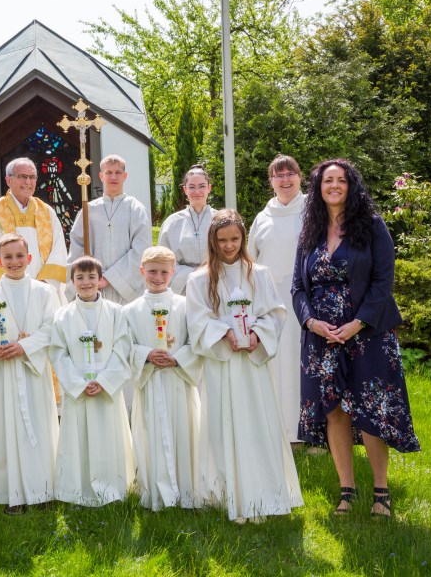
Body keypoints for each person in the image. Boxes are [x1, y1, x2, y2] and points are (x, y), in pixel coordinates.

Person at [292, 158, 419, 518]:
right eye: (327, 180)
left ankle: (382, 493)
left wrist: (357, 323)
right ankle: (346, 490)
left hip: (368, 334)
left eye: (341, 180)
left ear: (351, 186)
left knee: (372, 410)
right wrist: (311, 323)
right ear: (318, 188)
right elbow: (298, 288)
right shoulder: (310, 230)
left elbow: (383, 282)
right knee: (334, 411)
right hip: (322, 339)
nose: (334, 186)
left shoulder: (372, 227)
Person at [185, 209, 303, 523]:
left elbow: (274, 314)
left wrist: (255, 336)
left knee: (256, 423)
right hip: (222, 363)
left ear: (243, 238)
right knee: (223, 423)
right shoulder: (199, 279)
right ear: (212, 241)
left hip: (251, 364)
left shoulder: (258, 273)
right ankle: (226, 492)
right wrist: (224, 333)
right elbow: (197, 320)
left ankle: (264, 490)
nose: (228, 246)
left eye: (234, 239)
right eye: (222, 240)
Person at [0, 234, 61, 515]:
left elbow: (51, 329)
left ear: (29, 258)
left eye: (20, 256)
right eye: (7, 258)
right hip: (5, 374)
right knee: (7, 429)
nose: (14, 262)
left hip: (33, 371)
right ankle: (12, 494)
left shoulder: (45, 292)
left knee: (40, 428)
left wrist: (25, 346)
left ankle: (43, 490)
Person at [49, 256, 135, 506]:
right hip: (79, 388)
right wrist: (77, 383)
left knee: (109, 436)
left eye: (91, 277)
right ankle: (76, 487)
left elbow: (123, 348)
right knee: (79, 439)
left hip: (107, 389)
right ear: (72, 281)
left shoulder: (116, 312)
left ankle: (114, 486)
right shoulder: (63, 316)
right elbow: (58, 352)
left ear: (101, 281)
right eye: (80, 277)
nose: (86, 282)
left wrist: (106, 381)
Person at [124, 246, 201, 511]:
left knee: (184, 432)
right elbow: (125, 346)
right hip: (150, 383)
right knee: (151, 434)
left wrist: (177, 358)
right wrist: (145, 354)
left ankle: (186, 491)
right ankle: (154, 490)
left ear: (173, 272)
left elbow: (195, 342)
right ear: (141, 270)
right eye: (152, 271)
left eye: (164, 272)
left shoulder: (185, 306)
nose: (157, 277)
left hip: (177, 382)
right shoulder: (130, 311)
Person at [249, 155, 307, 444]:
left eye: (290, 174)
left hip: (306, 301)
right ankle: (276, 430)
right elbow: (251, 261)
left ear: (300, 176)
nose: (285, 180)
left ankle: (308, 431)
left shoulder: (313, 211)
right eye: (278, 175)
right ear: (271, 181)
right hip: (270, 301)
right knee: (274, 362)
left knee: (302, 364)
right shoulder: (262, 217)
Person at [0, 158, 67, 302]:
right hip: (9, 292)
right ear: (8, 180)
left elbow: (59, 250)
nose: (28, 182)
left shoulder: (47, 212)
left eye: (32, 177)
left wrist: (43, 285)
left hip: (44, 293)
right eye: (22, 177)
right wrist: (13, 285)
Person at [67, 154, 152, 306]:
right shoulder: (88, 210)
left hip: (127, 291)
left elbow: (142, 249)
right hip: (94, 286)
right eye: (108, 172)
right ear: (101, 176)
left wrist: (110, 277)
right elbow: (77, 247)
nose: (113, 177)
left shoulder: (136, 209)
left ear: (125, 176)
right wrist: (91, 276)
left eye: (118, 172)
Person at [158, 165, 216, 294]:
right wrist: (192, 273)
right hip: (183, 286)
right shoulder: (172, 222)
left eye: (201, 186)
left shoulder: (219, 219)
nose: (197, 191)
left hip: (215, 282)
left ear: (209, 188)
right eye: (192, 187)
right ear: (185, 189)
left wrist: (210, 271)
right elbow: (163, 259)